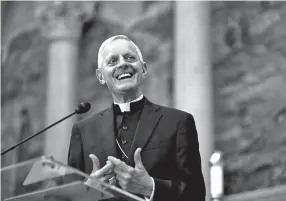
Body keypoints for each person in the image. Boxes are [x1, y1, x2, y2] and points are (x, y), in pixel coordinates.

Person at [67, 35, 206, 201]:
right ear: (101, 76)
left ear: (144, 69)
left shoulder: (178, 122)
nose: (122, 64)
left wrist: (150, 187)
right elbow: (66, 196)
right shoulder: (83, 132)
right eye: (112, 61)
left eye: (129, 58)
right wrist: (88, 193)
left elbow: (196, 194)